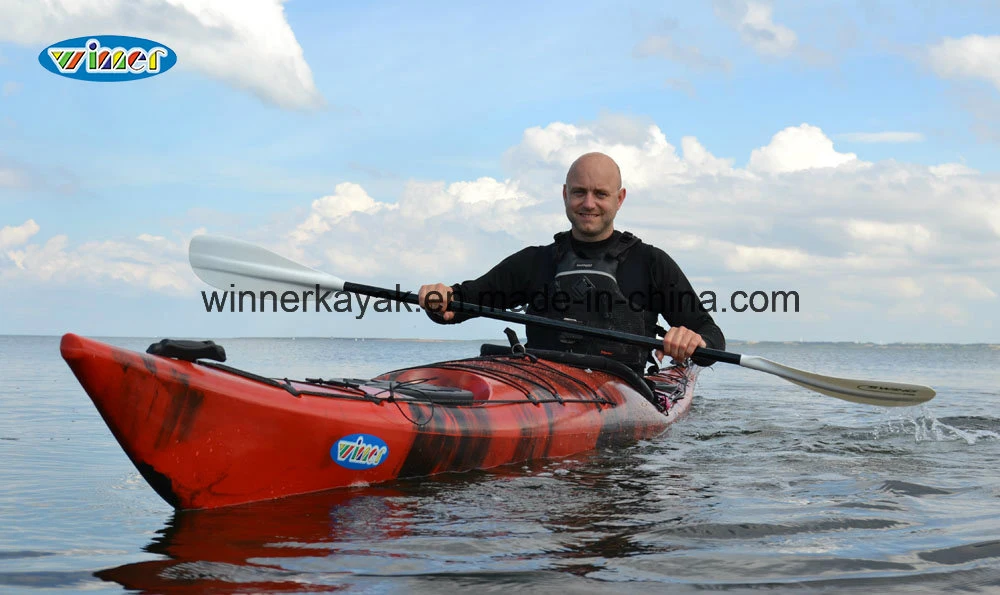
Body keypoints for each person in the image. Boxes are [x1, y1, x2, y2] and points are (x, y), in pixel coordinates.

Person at [418, 152, 724, 373]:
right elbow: (455, 308)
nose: (588, 203)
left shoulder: (652, 263)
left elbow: (712, 337)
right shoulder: (534, 262)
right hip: (542, 385)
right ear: (565, 195)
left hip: (623, 390)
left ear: (620, 199)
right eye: (579, 192)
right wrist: (437, 298)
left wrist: (694, 340)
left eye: (600, 194)